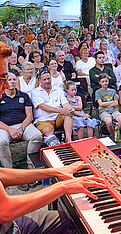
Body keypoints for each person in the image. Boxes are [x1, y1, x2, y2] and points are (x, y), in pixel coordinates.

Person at [0, 42, 106, 234]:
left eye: (7, 78)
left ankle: (67, 142)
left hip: (12, 225)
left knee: (77, 219)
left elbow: (2, 175)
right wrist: (63, 187)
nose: (7, 84)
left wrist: (53, 172)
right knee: (79, 224)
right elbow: (5, 210)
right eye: (1, 79)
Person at [0, 72, 42, 180]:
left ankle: (30, 163)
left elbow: (29, 116)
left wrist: (21, 128)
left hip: (23, 124)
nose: (12, 82)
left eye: (14, 79)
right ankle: (9, 172)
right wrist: (10, 130)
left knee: (37, 135)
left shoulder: (24, 96)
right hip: (5, 127)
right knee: (1, 141)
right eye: (9, 80)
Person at [31, 70, 75, 146]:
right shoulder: (35, 92)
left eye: (48, 78)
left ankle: (69, 141)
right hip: (44, 120)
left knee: (68, 114)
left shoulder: (58, 90)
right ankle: (54, 145)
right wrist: (60, 110)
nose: (47, 81)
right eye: (44, 79)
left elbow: (65, 104)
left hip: (58, 117)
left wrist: (70, 109)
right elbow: (42, 106)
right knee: (48, 132)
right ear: (39, 81)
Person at [95, 73, 121, 140]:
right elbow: (100, 104)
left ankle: (116, 133)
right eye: (103, 81)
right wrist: (111, 102)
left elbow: (116, 103)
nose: (105, 83)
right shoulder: (98, 92)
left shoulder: (112, 91)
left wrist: (105, 104)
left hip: (113, 110)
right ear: (99, 82)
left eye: (106, 81)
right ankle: (113, 135)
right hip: (104, 111)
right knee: (109, 122)